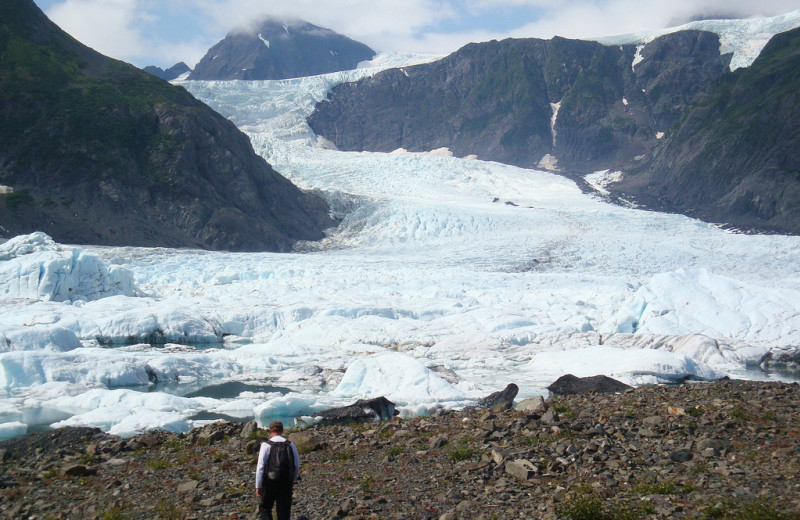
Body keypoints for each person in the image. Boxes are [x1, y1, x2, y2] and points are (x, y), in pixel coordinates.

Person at [255, 420, 301, 520]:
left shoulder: (266, 445)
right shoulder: (290, 445)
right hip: (286, 481)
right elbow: (296, 464)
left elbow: (260, 466)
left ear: (270, 431)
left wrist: (258, 485)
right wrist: (293, 478)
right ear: (282, 430)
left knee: (265, 507)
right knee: (284, 510)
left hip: (270, 481)